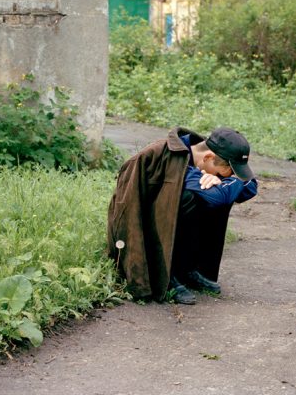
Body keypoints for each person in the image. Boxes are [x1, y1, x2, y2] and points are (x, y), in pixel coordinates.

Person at [107, 126, 258, 304]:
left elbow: (251, 187)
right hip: (143, 226)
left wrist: (225, 179)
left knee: (211, 197)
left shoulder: (200, 154)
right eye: (227, 172)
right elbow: (218, 197)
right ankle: (167, 273)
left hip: (166, 221)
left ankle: (186, 268)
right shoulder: (175, 159)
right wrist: (230, 183)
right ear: (208, 157)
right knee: (191, 198)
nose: (231, 176)